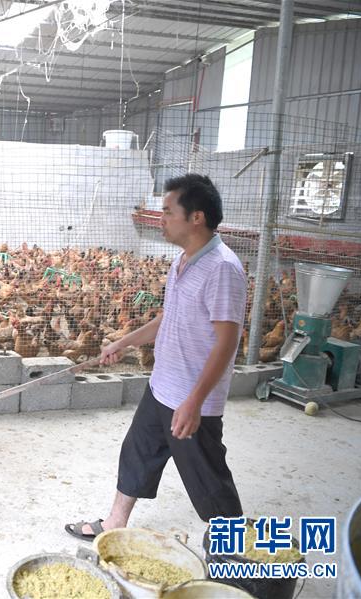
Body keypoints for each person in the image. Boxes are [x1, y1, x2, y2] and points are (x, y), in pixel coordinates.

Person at [65, 173, 247, 540]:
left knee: (207, 479)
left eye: (167, 211)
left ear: (196, 217)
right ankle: (114, 523)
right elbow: (167, 319)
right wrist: (123, 342)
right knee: (137, 452)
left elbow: (227, 342)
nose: (160, 219)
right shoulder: (183, 261)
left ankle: (239, 552)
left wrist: (194, 402)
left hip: (191, 397)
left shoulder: (222, 269)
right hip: (163, 384)